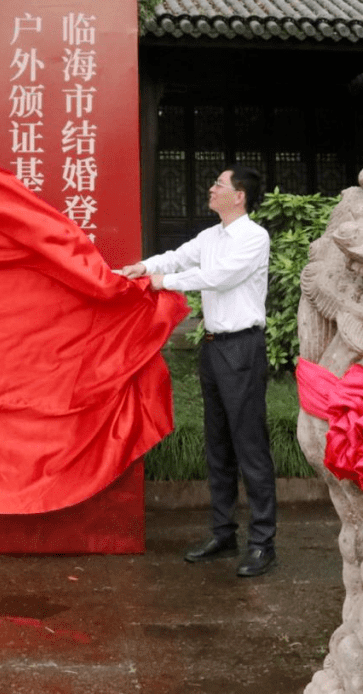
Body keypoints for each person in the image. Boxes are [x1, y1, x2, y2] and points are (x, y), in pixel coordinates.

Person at [118, 165, 276, 577]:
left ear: (239, 195)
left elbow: (218, 277)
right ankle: (222, 532)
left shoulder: (254, 238)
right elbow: (177, 256)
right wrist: (141, 268)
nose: (212, 188)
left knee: (250, 447)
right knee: (218, 445)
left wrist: (161, 282)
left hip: (242, 347)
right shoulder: (210, 237)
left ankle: (262, 543)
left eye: (220, 184)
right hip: (213, 348)